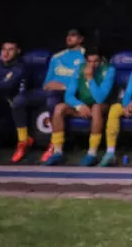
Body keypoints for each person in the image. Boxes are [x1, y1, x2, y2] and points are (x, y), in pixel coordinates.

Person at [44, 51, 114, 166]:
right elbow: (69, 95)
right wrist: (79, 106)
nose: (92, 65)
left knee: (96, 108)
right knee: (59, 108)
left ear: (101, 61)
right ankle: (57, 152)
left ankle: (92, 153)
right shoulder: (79, 69)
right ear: (86, 61)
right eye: (89, 61)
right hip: (83, 106)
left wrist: (90, 79)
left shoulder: (109, 70)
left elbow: (100, 98)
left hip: (102, 106)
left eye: (96, 61)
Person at [34, 28, 86, 164]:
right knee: (20, 100)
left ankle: (54, 144)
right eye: (68, 35)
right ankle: (22, 140)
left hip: (72, 93)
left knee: (53, 102)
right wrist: (54, 85)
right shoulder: (57, 57)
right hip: (51, 90)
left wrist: (63, 86)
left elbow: (81, 82)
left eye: (74, 36)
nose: (69, 38)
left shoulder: (85, 56)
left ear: (81, 39)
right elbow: (47, 83)